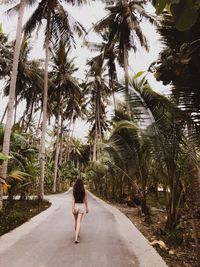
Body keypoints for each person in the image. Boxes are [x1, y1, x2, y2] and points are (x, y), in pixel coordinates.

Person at [72, 177, 88, 243]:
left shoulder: (74, 190)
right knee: (79, 222)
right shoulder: (84, 191)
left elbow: (73, 200)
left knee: (76, 221)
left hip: (75, 206)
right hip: (81, 206)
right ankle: (76, 238)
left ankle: (77, 234)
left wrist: (73, 208)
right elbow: (85, 201)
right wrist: (87, 208)